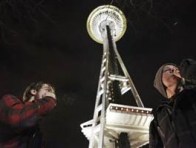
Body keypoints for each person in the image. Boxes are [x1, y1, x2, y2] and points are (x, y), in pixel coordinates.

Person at [149, 59, 196, 148]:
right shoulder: (157, 121)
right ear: (161, 82)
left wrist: (186, 70)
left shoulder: (193, 94)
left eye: (175, 68)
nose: (173, 70)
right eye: (168, 70)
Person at [0, 81, 57, 148]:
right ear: (33, 91)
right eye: (48, 90)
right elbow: (16, 119)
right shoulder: (8, 100)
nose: (51, 94)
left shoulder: (36, 132)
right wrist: (48, 100)